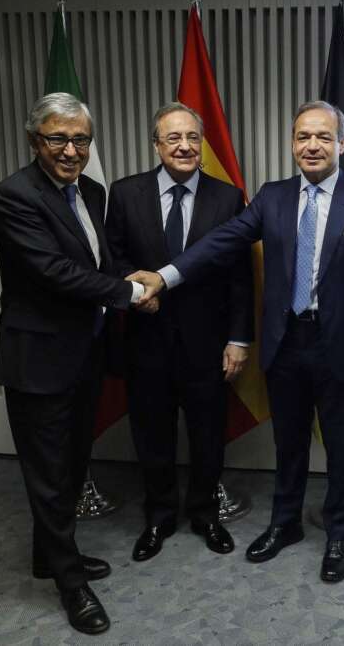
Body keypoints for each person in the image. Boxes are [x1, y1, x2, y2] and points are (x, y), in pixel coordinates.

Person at [130, 100, 344, 583]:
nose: (312, 145)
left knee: (341, 446)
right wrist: (167, 276)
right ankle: (285, 523)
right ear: (292, 144)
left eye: (322, 137)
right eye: (302, 136)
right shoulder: (273, 197)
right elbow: (222, 241)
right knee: (288, 441)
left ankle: (339, 533)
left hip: (339, 345)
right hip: (284, 341)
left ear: (341, 143)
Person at [0, 92, 154, 635]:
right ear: (34, 140)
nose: (71, 150)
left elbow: (97, 261)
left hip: (84, 352)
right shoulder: (14, 195)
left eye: (81, 140)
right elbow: (53, 272)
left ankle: (48, 556)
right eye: (58, 138)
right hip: (38, 358)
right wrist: (131, 294)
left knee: (70, 464)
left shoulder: (92, 191)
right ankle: (70, 583)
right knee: (48, 474)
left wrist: (128, 279)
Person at [105, 102, 253, 562]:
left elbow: (240, 276)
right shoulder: (125, 193)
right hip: (145, 338)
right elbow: (112, 258)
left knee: (208, 435)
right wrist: (135, 292)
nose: (185, 146)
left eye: (192, 137)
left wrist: (238, 339)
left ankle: (206, 514)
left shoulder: (227, 198)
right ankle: (159, 516)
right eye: (174, 138)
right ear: (156, 145)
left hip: (207, 344)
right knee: (152, 434)